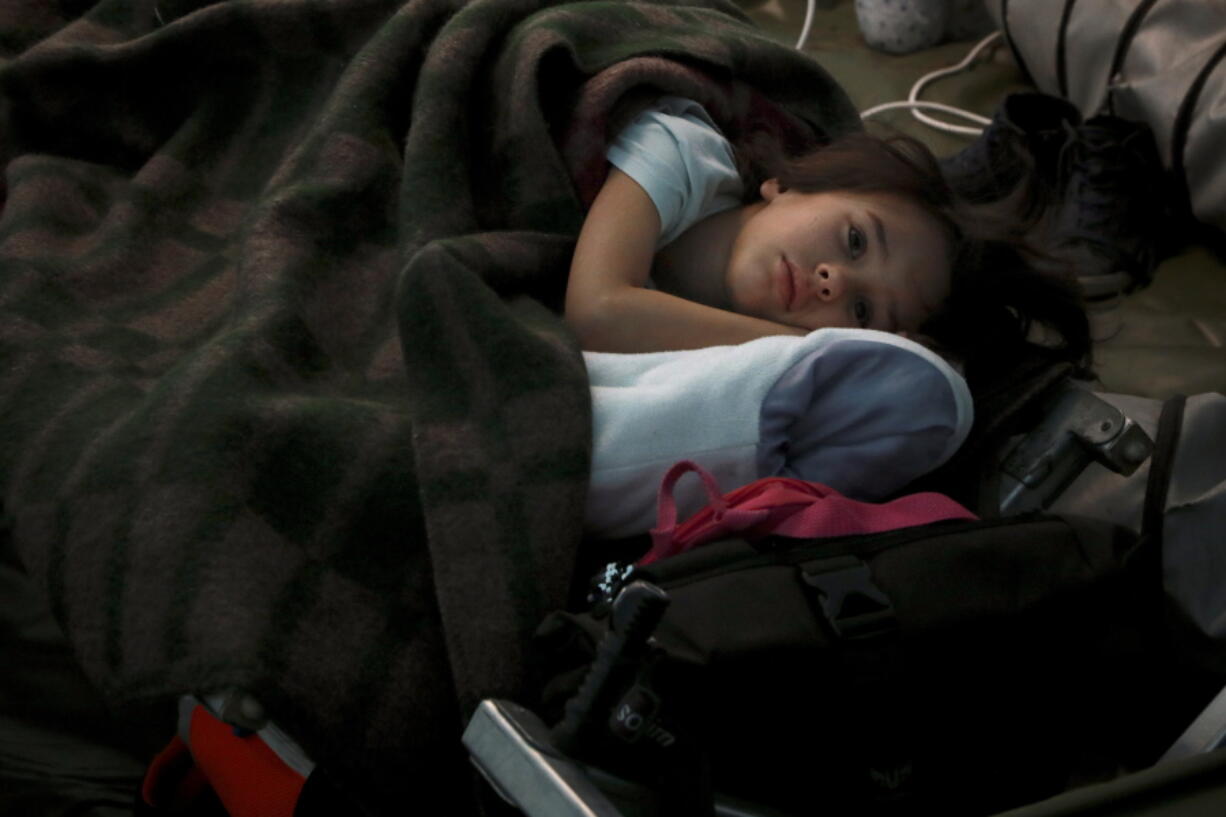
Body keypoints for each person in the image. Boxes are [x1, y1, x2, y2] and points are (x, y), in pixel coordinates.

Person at [564, 96, 1091, 385]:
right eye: (856, 240)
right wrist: (821, 346)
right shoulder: (684, 152)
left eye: (863, 312)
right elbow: (596, 313)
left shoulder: (721, 362)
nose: (833, 281)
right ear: (790, 182)